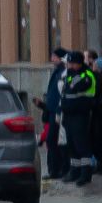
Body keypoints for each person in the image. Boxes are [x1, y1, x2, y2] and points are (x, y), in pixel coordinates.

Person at [60, 51, 97, 185]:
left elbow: (74, 87)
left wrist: (71, 79)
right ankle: (74, 171)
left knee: (82, 145)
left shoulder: (86, 75)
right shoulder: (72, 74)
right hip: (69, 115)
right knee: (72, 146)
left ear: (79, 63)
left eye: (72, 63)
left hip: (81, 115)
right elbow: (66, 90)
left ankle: (85, 174)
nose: (69, 66)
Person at [38, 45, 70, 181]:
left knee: (55, 140)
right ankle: (54, 169)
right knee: (52, 141)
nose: (52, 59)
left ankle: (58, 169)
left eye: (54, 56)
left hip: (58, 112)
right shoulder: (57, 72)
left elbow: (60, 94)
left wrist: (54, 109)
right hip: (52, 111)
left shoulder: (63, 73)